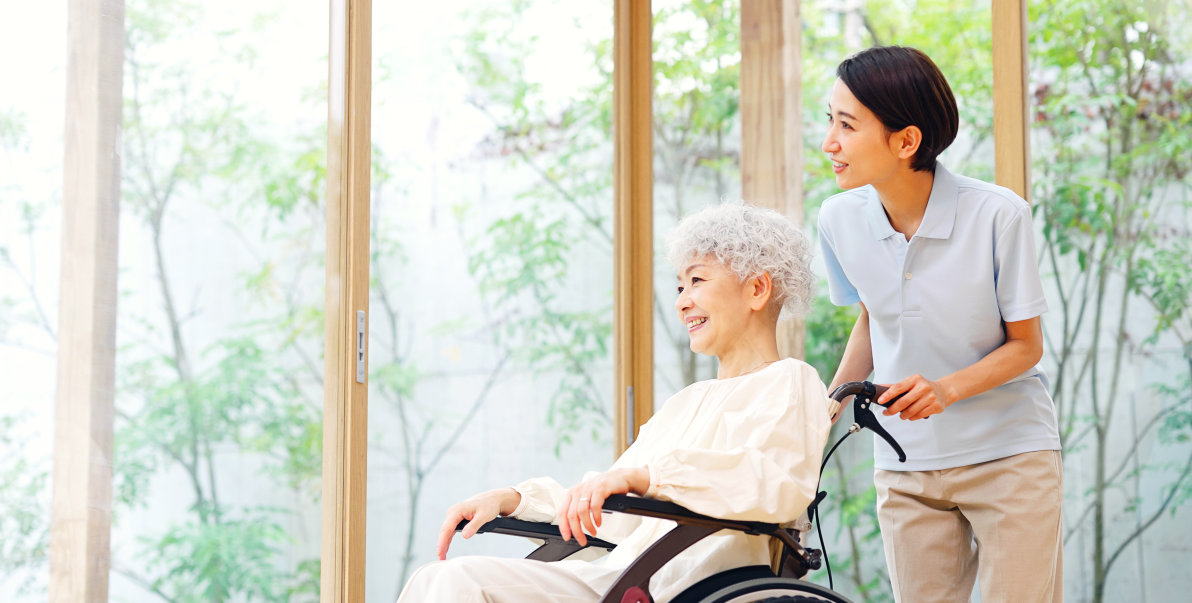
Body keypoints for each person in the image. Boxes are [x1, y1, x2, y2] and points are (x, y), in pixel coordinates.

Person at [396, 203, 832, 602]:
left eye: (696, 280)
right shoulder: (687, 402)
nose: (682, 302)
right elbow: (608, 507)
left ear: (757, 289)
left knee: (453, 584)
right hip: (616, 576)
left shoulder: (791, 382)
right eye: (679, 286)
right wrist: (514, 499)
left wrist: (646, 477)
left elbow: (771, 484)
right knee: (439, 578)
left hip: (687, 587)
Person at [817, 46, 1063, 602]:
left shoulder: (999, 215)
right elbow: (873, 318)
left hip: (1010, 455)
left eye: (847, 125)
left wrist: (945, 388)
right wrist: (824, 410)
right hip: (906, 465)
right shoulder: (838, 219)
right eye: (829, 120)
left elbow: (1026, 347)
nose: (829, 141)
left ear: (906, 141)